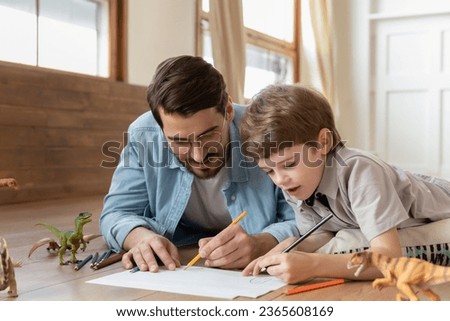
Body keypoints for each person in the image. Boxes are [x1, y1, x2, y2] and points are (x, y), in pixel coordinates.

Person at [100, 56, 298, 273]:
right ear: (160, 127)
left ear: (229, 111)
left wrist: (262, 243)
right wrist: (140, 237)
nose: (198, 155)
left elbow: (303, 218)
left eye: (208, 135)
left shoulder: (265, 132)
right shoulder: (144, 135)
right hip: (184, 242)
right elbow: (116, 213)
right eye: (179, 141)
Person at [239, 84, 450, 284]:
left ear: (323, 143)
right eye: (269, 171)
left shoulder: (360, 172)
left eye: (290, 163)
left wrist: (314, 265)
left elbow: (390, 259)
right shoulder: (295, 184)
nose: (279, 179)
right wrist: (287, 245)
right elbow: (323, 233)